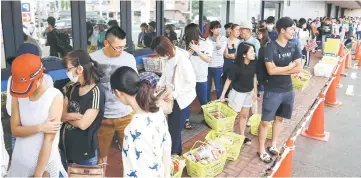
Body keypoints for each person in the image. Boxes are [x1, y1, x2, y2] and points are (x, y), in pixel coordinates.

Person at [7, 54, 67, 177]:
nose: (24, 92)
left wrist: (38, 175)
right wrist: (40, 127)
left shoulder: (54, 97)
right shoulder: (17, 94)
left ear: (40, 77)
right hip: (20, 164)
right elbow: (15, 130)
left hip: (45, 167)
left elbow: (48, 140)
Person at [90, 26, 137, 168]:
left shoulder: (129, 59)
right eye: (118, 47)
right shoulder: (93, 58)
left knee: (131, 154)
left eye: (124, 46)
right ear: (106, 43)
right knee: (101, 156)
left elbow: (135, 86)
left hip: (126, 114)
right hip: (102, 115)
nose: (122, 50)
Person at [111, 68, 171, 178]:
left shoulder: (134, 128)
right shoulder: (158, 111)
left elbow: (137, 168)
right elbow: (166, 146)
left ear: (118, 93)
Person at [258, 17, 302, 163]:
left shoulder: (293, 46)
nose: (293, 32)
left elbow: (299, 67)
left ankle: (273, 144)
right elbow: (270, 71)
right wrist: (289, 68)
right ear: (282, 30)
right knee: (265, 121)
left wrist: (280, 70)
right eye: (291, 29)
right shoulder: (269, 47)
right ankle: (261, 149)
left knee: (280, 118)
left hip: (288, 90)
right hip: (272, 90)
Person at [150, 36, 196, 155]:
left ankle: (174, 155)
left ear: (166, 50)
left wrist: (175, 94)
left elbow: (191, 83)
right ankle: (175, 153)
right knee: (172, 128)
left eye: (160, 54)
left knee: (174, 130)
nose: (160, 57)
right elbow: (166, 74)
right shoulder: (168, 56)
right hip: (172, 95)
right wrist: (160, 84)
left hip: (182, 99)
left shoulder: (182, 59)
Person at [60, 50, 105, 169]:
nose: (67, 72)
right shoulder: (70, 87)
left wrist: (66, 117)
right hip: (66, 147)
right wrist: (71, 116)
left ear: (80, 69)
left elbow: (83, 124)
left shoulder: (97, 91)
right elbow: (61, 115)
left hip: (85, 151)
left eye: (68, 69)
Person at [220, 42, 257, 145]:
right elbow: (228, 80)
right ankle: (228, 135)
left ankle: (241, 135)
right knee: (232, 116)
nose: (254, 53)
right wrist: (223, 95)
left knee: (244, 115)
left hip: (248, 93)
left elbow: (254, 77)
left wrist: (255, 92)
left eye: (254, 51)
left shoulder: (254, 63)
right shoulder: (235, 66)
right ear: (244, 54)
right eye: (252, 52)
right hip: (237, 94)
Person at [182, 23, 213, 128]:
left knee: (203, 100)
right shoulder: (187, 43)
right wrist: (188, 53)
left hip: (201, 77)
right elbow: (183, 59)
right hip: (188, 77)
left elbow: (208, 59)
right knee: (187, 100)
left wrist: (197, 50)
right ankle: (186, 120)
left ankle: (208, 119)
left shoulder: (207, 43)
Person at [208, 21, 227, 100]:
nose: (218, 30)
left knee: (218, 87)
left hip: (218, 66)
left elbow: (220, 53)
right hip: (208, 66)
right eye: (216, 28)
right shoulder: (207, 40)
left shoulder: (223, 39)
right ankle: (206, 106)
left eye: (219, 28)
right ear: (211, 30)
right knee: (207, 88)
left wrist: (218, 41)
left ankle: (220, 106)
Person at [223, 24, 241, 97]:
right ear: (231, 30)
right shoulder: (225, 41)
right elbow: (225, 54)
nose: (238, 32)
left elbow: (238, 56)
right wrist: (233, 56)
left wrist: (232, 56)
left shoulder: (240, 42)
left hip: (236, 67)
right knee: (225, 85)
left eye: (239, 30)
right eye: (237, 29)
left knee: (234, 87)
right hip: (226, 66)